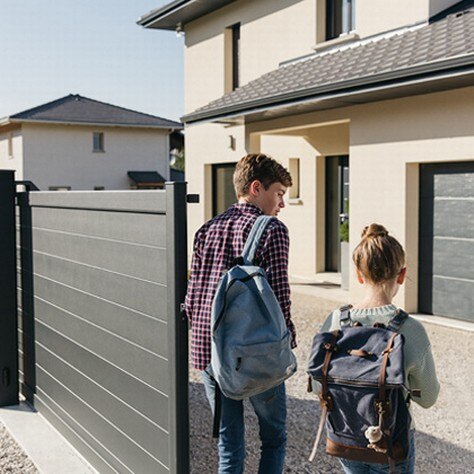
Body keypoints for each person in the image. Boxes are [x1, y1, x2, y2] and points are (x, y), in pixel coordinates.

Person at [185, 153, 297, 474]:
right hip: (256, 354)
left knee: (229, 446)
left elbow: (194, 294)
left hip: (211, 355)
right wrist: (286, 342)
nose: (282, 203)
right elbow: (278, 298)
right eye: (279, 193)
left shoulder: (206, 229)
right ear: (256, 187)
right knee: (273, 439)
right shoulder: (271, 230)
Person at [319, 223, 440, 474]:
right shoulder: (410, 330)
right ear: (402, 274)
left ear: (358, 275)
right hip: (391, 442)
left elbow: (319, 384)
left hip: (345, 438)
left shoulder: (335, 321)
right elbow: (428, 397)